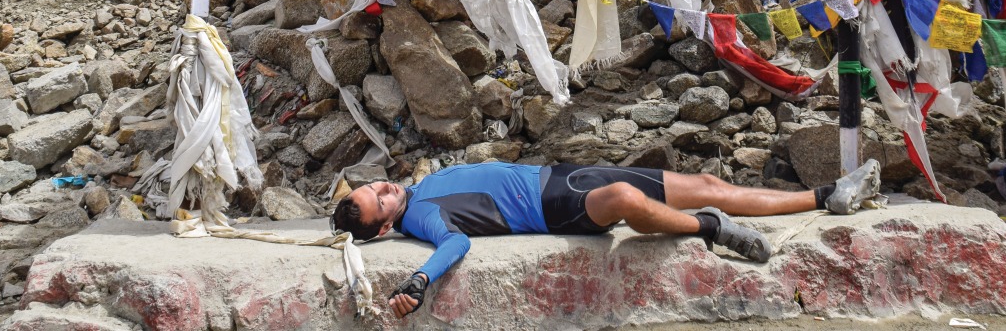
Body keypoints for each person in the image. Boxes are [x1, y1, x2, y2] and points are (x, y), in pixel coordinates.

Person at [331, 158, 882, 318]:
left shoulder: (419, 185)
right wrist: (420, 279)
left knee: (706, 182)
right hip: (556, 205)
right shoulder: (419, 217)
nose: (382, 187)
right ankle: (710, 228)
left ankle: (825, 196)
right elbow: (456, 245)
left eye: (374, 185)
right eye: (375, 200)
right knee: (622, 200)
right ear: (383, 226)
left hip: (563, 172)